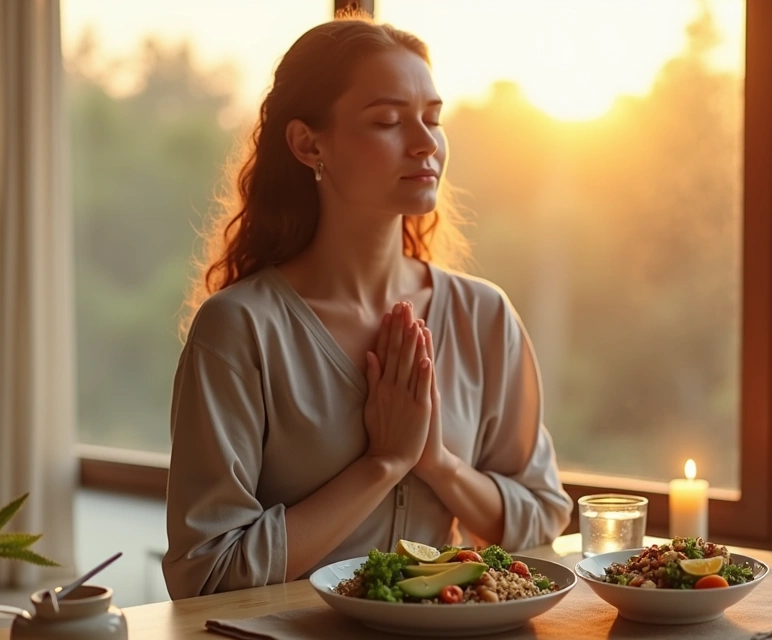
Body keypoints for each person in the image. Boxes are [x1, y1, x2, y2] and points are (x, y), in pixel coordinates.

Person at [161, 14, 572, 600]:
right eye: (387, 120)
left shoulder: (484, 316)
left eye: (432, 118)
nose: (426, 143)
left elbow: (541, 515)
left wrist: (436, 461)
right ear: (309, 144)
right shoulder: (240, 328)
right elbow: (205, 572)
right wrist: (383, 463)